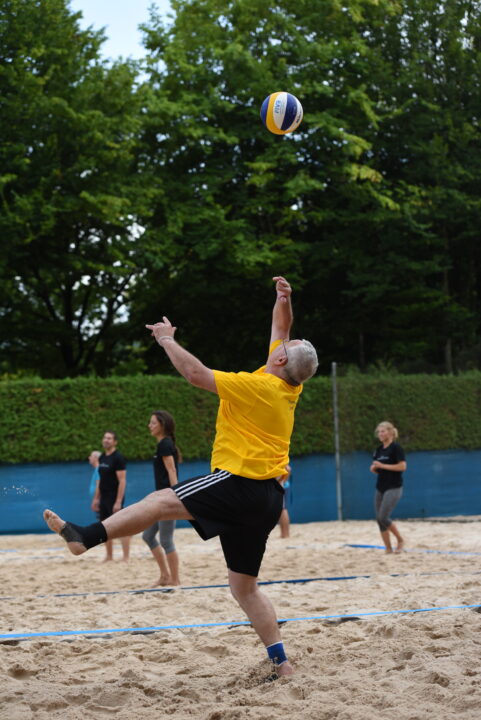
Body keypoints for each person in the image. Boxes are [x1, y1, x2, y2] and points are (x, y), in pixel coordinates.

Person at [43, 275, 318, 678]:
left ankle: (86, 537)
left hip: (240, 482)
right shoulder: (290, 386)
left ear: (279, 361)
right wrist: (283, 298)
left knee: (159, 502)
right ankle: (282, 663)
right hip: (268, 499)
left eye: (283, 349)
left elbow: (196, 375)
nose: (280, 344)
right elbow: (283, 328)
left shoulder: (257, 387)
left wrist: (167, 340)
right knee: (244, 589)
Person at [142, 410, 181, 586]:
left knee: (166, 540)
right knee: (148, 535)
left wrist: (176, 494)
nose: (149, 426)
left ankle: (175, 579)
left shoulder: (165, 444)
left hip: (167, 498)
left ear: (162, 425)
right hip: (161, 497)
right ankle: (165, 576)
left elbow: (171, 470)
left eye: (153, 423)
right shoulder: (163, 444)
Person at [91, 431, 131, 562]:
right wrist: (96, 498)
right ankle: (109, 556)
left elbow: (123, 481)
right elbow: (100, 480)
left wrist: (118, 501)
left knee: (121, 527)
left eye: (109, 438)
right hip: (104, 497)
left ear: (115, 442)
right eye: (105, 438)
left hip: (115, 498)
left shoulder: (118, 458)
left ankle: (126, 557)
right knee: (105, 527)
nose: (106, 440)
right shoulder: (102, 457)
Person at [370, 421, 407, 554]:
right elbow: (379, 469)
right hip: (381, 487)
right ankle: (388, 549)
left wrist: (382, 466)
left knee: (383, 517)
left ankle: (401, 540)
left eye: (383, 431)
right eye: (379, 432)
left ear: (391, 433)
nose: (380, 434)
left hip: (394, 487)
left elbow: (402, 467)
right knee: (379, 520)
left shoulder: (396, 448)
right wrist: (374, 468)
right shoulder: (378, 450)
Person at [277, 464, 291, 538]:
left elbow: (288, 469)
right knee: (281, 509)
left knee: (283, 509)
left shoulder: (277, 455)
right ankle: (283, 534)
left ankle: (285, 534)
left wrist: (281, 481)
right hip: (281, 485)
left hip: (281, 486)